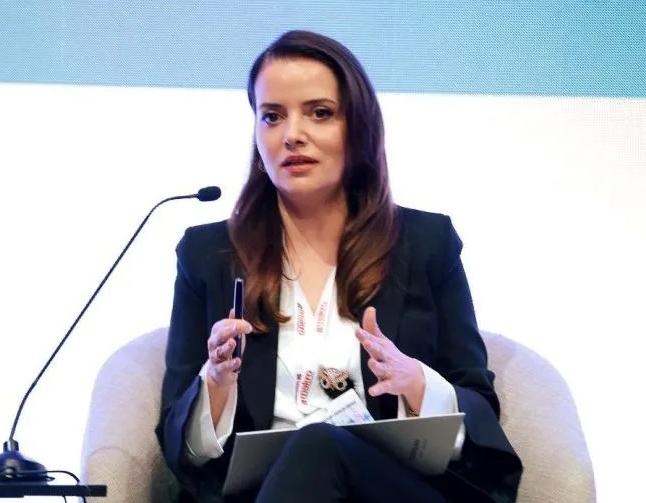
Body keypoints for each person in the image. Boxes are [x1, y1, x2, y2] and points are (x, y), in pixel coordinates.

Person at [156, 30, 522, 503]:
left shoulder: (426, 243)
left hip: (391, 489)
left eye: (320, 113)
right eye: (272, 116)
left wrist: (418, 386)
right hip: (261, 493)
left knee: (319, 446)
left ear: (359, 128)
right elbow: (179, 446)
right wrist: (216, 383)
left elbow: (479, 409)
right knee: (309, 451)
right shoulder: (208, 254)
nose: (292, 134)